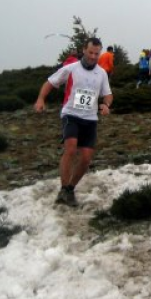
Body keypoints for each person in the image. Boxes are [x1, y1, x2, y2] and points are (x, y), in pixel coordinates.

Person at [34, 37, 113, 207]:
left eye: (96, 54)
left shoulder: (102, 73)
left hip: (90, 119)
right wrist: (41, 99)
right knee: (70, 149)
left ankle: (70, 189)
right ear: (84, 50)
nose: (93, 56)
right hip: (71, 114)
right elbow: (49, 83)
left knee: (85, 159)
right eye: (90, 52)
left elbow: (108, 94)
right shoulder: (71, 68)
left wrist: (106, 105)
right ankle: (63, 188)